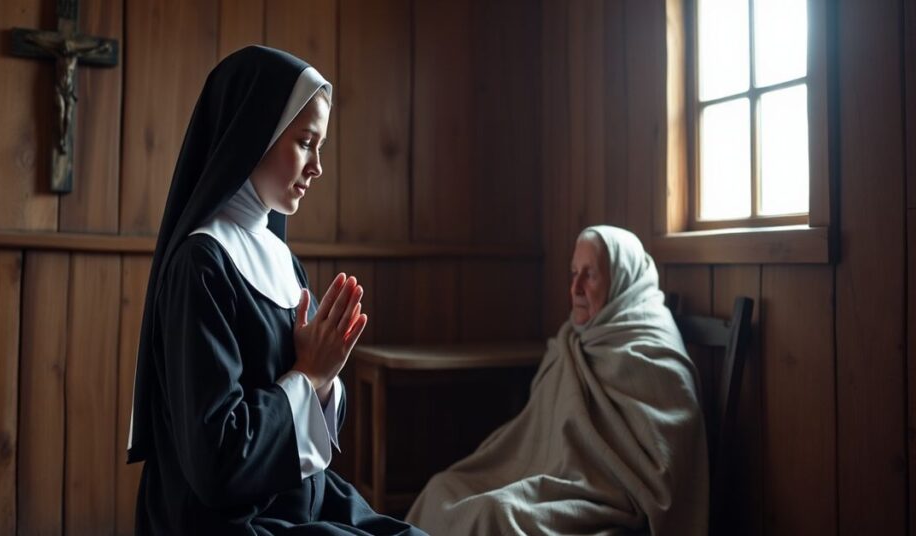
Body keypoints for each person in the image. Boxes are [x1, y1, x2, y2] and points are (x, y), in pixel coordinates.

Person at [126, 45, 425, 535]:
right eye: (306, 142)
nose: (317, 167)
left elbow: (307, 401)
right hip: (229, 521)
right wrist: (309, 378)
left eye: (320, 145)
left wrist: (324, 380)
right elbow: (216, 461)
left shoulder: (283, 261)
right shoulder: (201, 264)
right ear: (253, 134)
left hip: (300, 498)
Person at [406, 225, 709, 535]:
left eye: (589, 275)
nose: (575, 288)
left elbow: (669, 463)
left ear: (622, 281)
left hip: (604, 497)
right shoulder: (574, 339)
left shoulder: (652, 349)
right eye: (573, 272)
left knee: (494, 513)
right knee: (441, 488)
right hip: (546, 475)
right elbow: (540, 431)